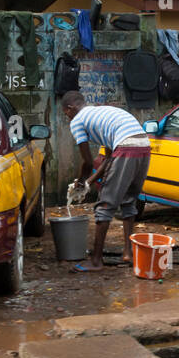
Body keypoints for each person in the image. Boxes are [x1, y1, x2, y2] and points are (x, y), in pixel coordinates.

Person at [61, 91, 151, 270]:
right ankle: (128, 254)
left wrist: (80, 180)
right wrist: (88, 183)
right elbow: (109, 159)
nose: (67, 118)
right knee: (128, 201)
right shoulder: (101, 113)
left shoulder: (77, 120)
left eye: (66, 114)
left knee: (105, 205)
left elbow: (87, 162)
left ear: (70, 109)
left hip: (126, 147)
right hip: (144, 146)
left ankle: (96, 261)